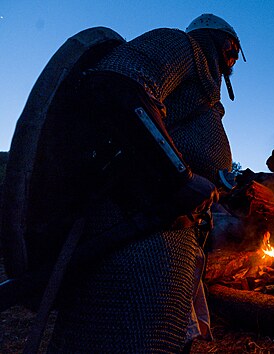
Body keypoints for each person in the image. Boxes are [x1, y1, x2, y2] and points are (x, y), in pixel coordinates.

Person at [41, 14, 243, 352]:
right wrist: (181, 176)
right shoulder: (181, 45)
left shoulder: (202, 93)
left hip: (172, 234)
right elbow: (119, 85)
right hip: (135, 229)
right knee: (122, 337)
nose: (233, 61)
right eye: (234, 52)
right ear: (227, 44)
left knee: (159, 338)